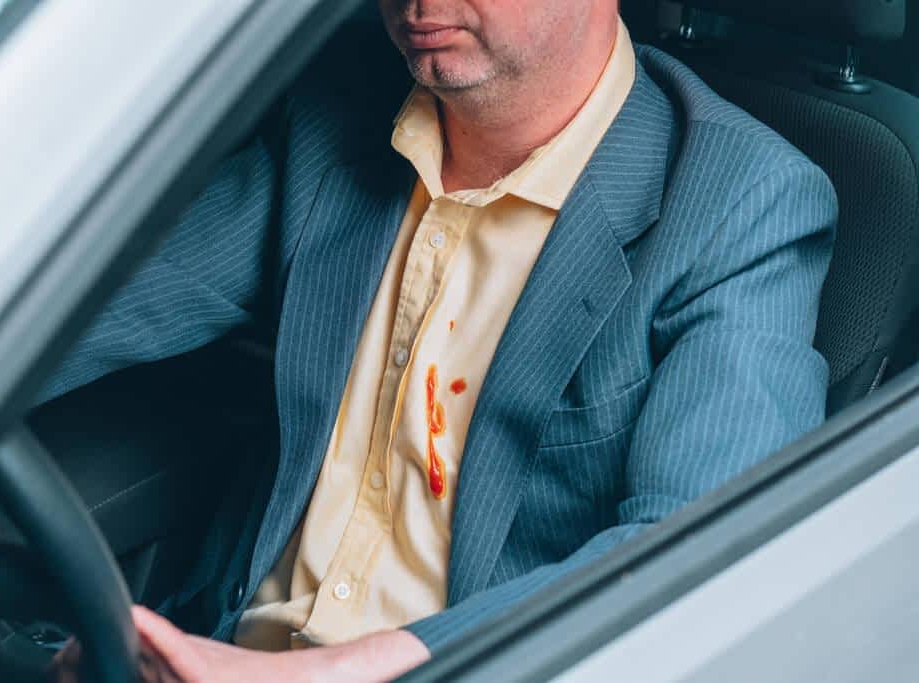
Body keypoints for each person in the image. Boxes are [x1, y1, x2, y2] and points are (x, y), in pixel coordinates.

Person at [43, 0, 837, 680]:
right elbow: (87, 308)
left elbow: (693, 554)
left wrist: (307, 673)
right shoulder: (338, 120)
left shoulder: (743, 205)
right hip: (221, 645)